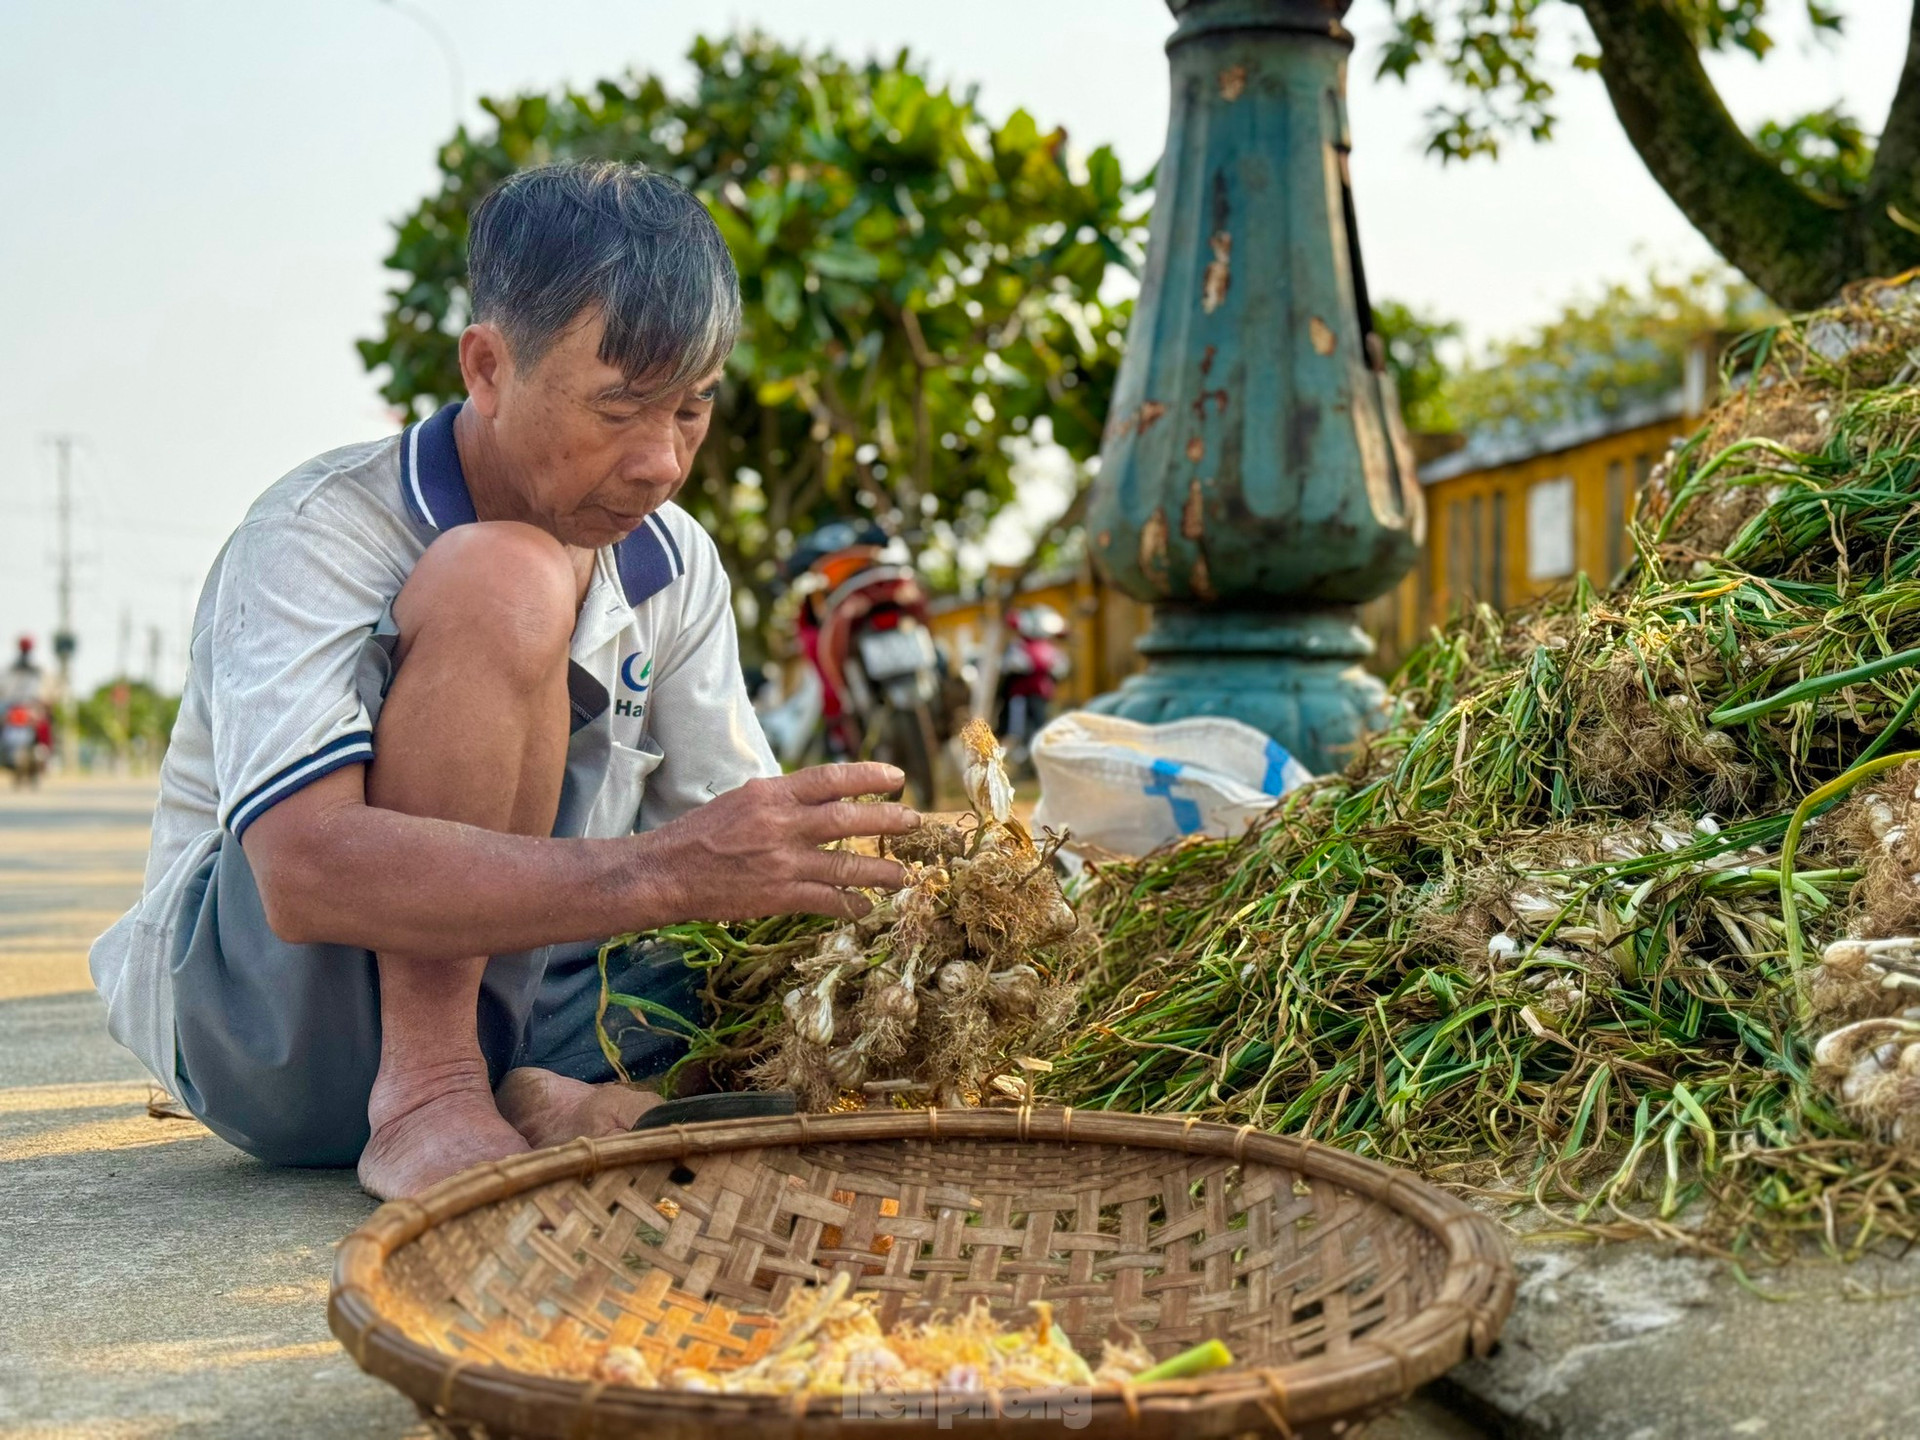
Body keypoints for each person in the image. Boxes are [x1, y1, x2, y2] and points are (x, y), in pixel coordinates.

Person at [88, 162, 915, 1200]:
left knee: (818, 1008)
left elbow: (728, 850)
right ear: (487, 367)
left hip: (541, 1004)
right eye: (620, 410)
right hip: (283, 1032)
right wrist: (665, 869)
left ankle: (537, 1091)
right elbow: (301, 875)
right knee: (505, 576)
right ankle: (429, 1087)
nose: (662, 462)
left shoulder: (674, 560)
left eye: (693, 411)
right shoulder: (319, 530)